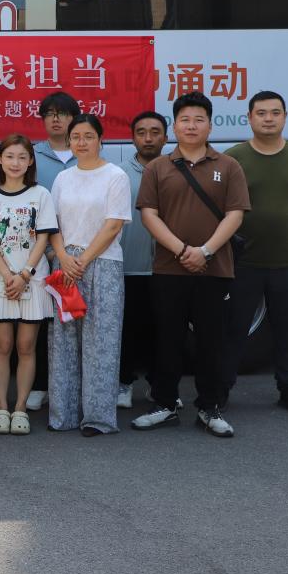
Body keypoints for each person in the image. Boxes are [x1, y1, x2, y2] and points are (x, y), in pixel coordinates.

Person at [131, 92, 250, 439]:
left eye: (199, 119)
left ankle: (209, 407)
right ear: (175, 126)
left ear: (210, 125)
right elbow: (149, 215)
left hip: (215, 269)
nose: (192, 126)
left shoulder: (229, 166)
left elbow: (235, 215)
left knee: (211, 341)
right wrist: (183, 250)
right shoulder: (157, 167)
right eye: (185, 120)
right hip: (168, 269)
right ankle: (165, 404)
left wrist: (206, 251)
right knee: (167, 339)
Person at [225, 91, 288, 416]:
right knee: (235, 330)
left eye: (275, 113)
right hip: (244, 261)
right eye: (261, 113)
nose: (268, 118)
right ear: (249, 118)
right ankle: (220, 390)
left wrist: (283, 219)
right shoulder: (234, 158)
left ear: (285, 117)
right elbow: (224, 204)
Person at [47, 114, 131, 436]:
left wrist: (82, 260)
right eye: (76, 137)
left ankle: (97, 418)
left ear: (100, 139)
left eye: (88, 136)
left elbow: (113, 224)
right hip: (65, 264)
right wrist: (64, 257)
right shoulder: (63, 178)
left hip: (102, 264)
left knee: (101, 342)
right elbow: (52, 223)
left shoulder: (115, 176)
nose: (81, 142)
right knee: (63, 341)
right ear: (69, 142)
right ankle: (64, 414)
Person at [0, 135, 56, 436]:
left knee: (26, 346)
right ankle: (1, 406)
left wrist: (24, 274)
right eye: (9, 156)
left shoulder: (41, 194)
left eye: (22, 157)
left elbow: (44, 237)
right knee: (2, 346)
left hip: (31, 279)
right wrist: (7, 274)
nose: (15, 163)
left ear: (30, 161)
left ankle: (21, 408)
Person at [25, 91, 81, 412]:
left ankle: (75, 385)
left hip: (79, 254)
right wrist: (46, 250)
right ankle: (40, 385)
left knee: (74, 319)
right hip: (40, 253)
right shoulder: (32, 155)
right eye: (49, 114)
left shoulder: (85, 152)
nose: (56, 119)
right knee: (45, 320)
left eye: (62, 113)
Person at [117, 111, 168, 410]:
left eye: (155, 132)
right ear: (133, 137)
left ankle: (159, 386)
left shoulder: (176, 170)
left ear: (166, 136)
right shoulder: (118, 174)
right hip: (128, 266)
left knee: (163, 332)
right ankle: (123, 383)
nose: (148, 138)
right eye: (141, 132)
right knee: (127, 330)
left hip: (167, 268)